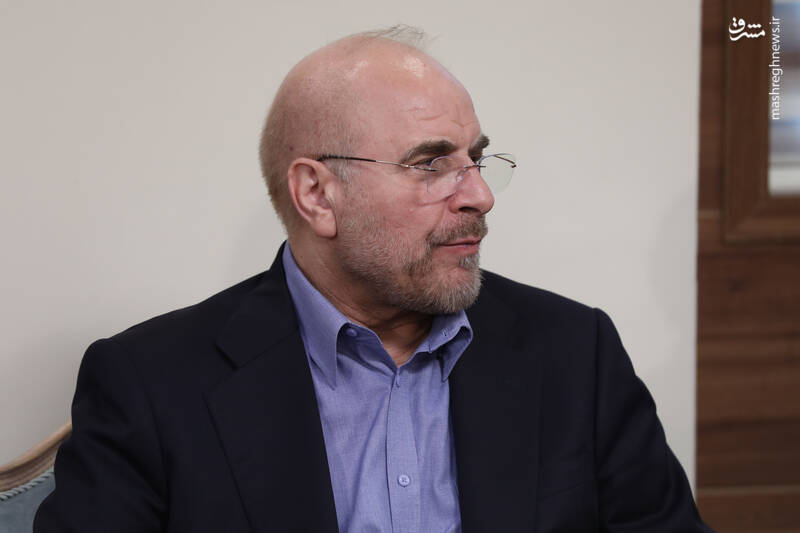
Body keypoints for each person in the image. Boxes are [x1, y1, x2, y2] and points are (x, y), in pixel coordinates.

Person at [35, 27, 713, 532]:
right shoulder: (150, 385)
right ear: (317, 195)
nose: (480, 194)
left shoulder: (575, 352)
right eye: (430, 164)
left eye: (475, 160)